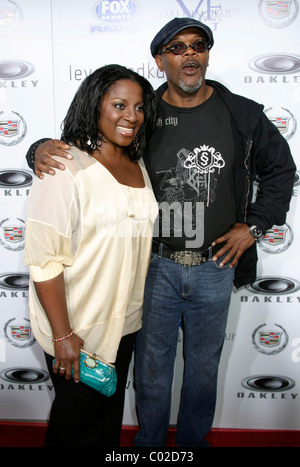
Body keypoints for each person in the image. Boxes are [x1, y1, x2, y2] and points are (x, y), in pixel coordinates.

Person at [25, 18, 296, 447]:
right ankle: (150, 450)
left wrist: (256, 225)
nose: (189, 53)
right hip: (154, 267)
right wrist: (37, 148)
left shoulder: (242, 114)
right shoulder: (143, 112)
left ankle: (191, 448)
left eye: (198, 45)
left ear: (206, 54)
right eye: (176, 47)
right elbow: (91, 146)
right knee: (151, 376)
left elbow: (282, 171)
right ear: (160, 60)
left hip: (215, 265)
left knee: (204, 374)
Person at [24, 64, 157, 447]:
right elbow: (44, 260)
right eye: (119, 105)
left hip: (125, 324)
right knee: (75, 426)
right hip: (77, 329)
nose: (131, 116)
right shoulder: (63, 166)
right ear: (95, 105)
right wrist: (64, 335)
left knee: (106, 423)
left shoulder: (138, 163)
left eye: (138, 107)